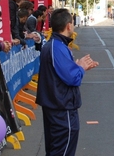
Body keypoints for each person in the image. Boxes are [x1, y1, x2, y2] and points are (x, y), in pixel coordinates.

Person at [36, 8, 99, 155]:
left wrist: (77, 66)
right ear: (68, 26)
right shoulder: (57, 47)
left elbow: (61, 72)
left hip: (55, 106)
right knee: (63, 150)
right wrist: (80, 68)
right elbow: (72, 78)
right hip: (61, 108)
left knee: (56, 149)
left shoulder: (54, 45)